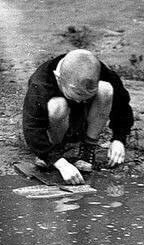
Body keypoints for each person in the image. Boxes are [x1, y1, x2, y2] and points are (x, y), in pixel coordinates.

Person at [22, 49, 134, 184]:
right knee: (57, 105)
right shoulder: (40, 83)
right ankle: (55, 150)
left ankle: (88, 148)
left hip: (87, 121)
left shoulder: (99, 71)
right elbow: (32, 128)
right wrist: (59, 162)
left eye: (86, 98)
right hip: (55, 126)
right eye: (76, 96)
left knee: (106, 90)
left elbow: (122, 104)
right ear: (58, 77)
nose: (80, 102)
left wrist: (119, 139)